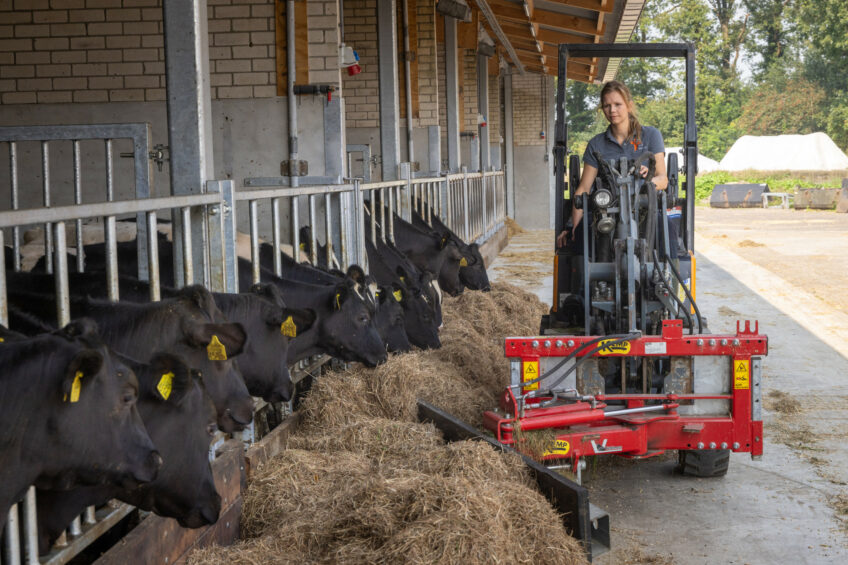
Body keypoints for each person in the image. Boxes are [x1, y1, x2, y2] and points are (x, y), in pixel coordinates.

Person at [556, 80, 668, 248]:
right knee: (581, 233)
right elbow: (584, 189)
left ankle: (671, 274)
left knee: (668, 229)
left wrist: (647, 181)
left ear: (629, 106)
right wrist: (572, 227)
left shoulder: (651, 135)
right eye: (607, 106)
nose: (612, 110)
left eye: (617, 104)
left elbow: (663, 179)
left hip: (643, 209)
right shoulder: (597, 144)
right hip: (605, 211)